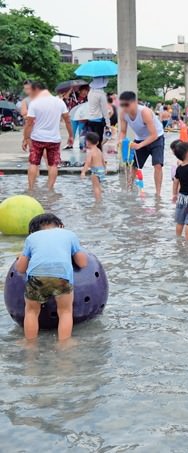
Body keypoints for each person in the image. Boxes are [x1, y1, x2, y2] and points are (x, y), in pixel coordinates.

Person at [15, 213, 88, 341]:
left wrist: (20, 258)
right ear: (61, 225)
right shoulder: (69, 234)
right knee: (65, 311)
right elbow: (82, 263)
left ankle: (30, 344)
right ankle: (64, 344)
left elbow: (20, 268)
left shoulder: (32, 238)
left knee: (31, 311)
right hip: (61, 276)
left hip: (36, 276)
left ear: (33, 231)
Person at [22, 81, 74, 191]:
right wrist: (71, 136)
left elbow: (29, 123)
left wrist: (26, 138)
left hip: (37, 138)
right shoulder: (59, 102)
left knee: (33, 163)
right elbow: (68, 121)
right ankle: (50, 190)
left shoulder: (35, 103)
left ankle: (31, 189)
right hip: (54, 139)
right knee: (53, 165)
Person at [118, 91, 165, 197]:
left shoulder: (145, 112)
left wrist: (139, 145)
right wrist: (120, 141)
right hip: (139, 139)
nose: (125, 108)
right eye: (122, 105)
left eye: (127, 105)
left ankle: (158, 194)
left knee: (157, 165)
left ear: (134, 102)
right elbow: (122, 132)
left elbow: (154, 135)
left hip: (156, 138)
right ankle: (128, 189)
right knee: (134, 166)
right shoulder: (123, 114)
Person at [80, 132, 106, 201]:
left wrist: (83, 172)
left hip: (95, 171)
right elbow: (103, 160)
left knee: (95, 187)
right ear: (97, 142)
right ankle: (100, 195)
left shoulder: (90, 152)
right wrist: (105, 169)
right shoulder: (99, 150)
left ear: (87, 142)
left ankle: (98, 201)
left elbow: (87, 163)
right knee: (98, 185)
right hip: (101, 170)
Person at [86, 77, 111, 149]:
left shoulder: (90, 92)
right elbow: (104, 110)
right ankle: (98, 158)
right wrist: (108, 123)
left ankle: (92, 158)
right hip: (98, 121)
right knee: (98, 143)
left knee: (92, 143)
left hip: (90, 120)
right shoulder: (101, 94)